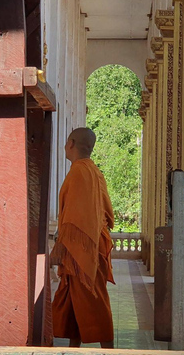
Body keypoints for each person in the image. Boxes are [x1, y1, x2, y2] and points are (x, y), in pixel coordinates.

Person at [51, 128, 115, 348]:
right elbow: (107, 213)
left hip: (82, 251)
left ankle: (109, 351)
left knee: (92, 300)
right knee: (74, 302)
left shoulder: (79, 172)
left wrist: (61, 247)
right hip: (90, 245)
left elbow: (73, 218)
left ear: (71, 143)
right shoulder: (95, 171)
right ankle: (73, 348)